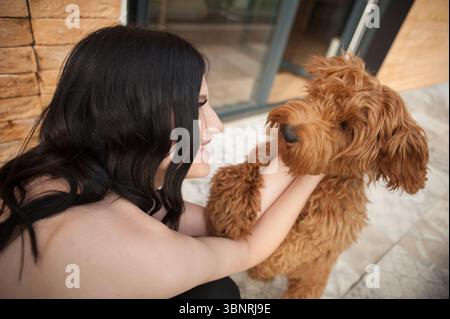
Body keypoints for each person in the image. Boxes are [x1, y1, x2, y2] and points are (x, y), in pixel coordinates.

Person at [0, 25, 323, 298]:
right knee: (219, 293)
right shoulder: (142, 252)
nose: (217, 125)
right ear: (135, 120)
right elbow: (249, 249)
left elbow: (221, 221)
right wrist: (316, 172)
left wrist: (309, 155)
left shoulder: (53, 173)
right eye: (198, 106)